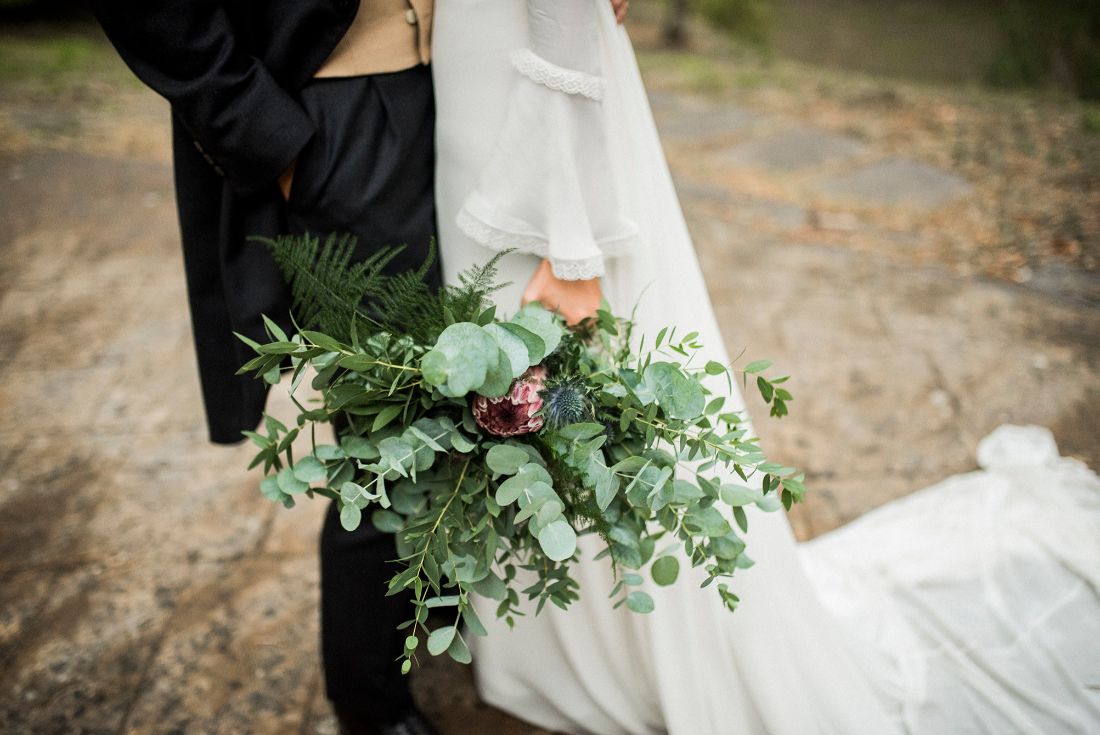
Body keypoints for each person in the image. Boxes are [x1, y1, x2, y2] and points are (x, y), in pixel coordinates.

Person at [432, 2, 1100, 733]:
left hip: (531, 123)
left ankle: (631, 643)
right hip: (482, 84)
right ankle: (554, 638)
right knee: (506, 383)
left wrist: (572, 242)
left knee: (566, 387)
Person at [91, 3, 440, 733]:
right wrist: (259, 129)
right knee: (391, 434)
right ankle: (372, 706)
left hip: (456, 89)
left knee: (465, 399)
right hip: (340, 108)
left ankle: (428, 631)